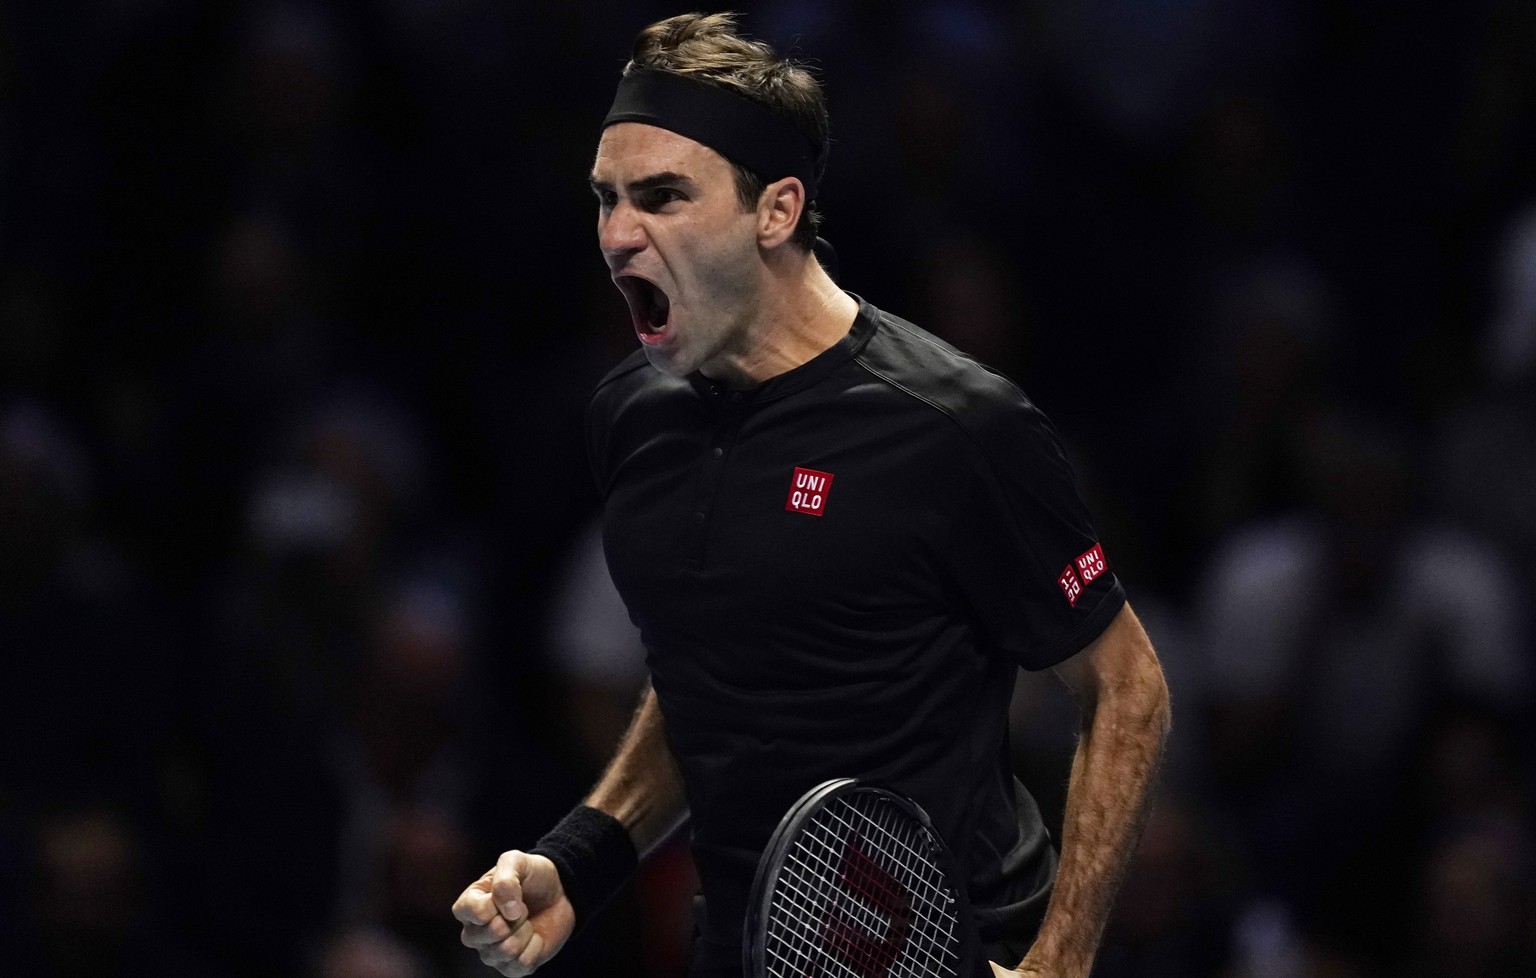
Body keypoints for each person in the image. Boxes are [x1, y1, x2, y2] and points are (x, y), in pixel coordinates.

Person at [453, 12, 1171, 978]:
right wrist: (579, 863)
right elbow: (710, 670)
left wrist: (1061, 963)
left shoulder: (957, 423)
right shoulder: (630, 418)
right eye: (607, 198)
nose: (620, 236)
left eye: (663, 197)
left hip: (956, 953)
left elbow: (1128, 691)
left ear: (776, 211)